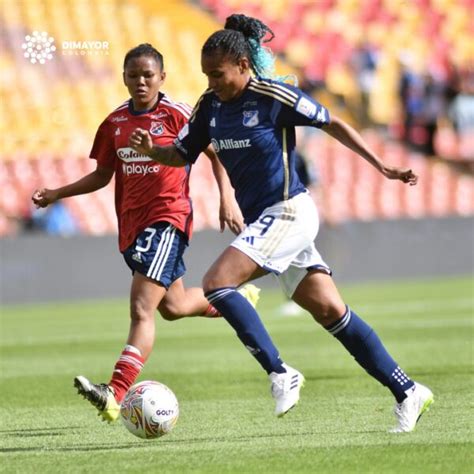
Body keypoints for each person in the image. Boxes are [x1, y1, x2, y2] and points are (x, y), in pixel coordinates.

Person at [128, 16, 433, 433]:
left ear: (241, 64)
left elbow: (333, 124)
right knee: (329, 310)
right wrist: (154, 150)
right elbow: (182, 154)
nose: (212, 82)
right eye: (206, 75)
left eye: (217, 74)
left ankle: (279, 371)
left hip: (290, 210)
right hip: (267, 221)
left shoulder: (273, 95)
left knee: (218, 283)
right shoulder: (210, 106)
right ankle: (407, 390)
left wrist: (382, 166)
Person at [32, 43, 259, 423]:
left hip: (168, 219)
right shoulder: (115, 123)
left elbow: (215, 151)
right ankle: (237, 302)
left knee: (141, 308)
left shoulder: (177, 114)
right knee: (173, 307)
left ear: (162, 78)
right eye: (133, 75)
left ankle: (114, 392)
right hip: (132, 227)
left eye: (148, 75)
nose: (140, 82)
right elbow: (104, 175)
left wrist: (227, 197)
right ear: (123, 77)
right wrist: (58, 193)